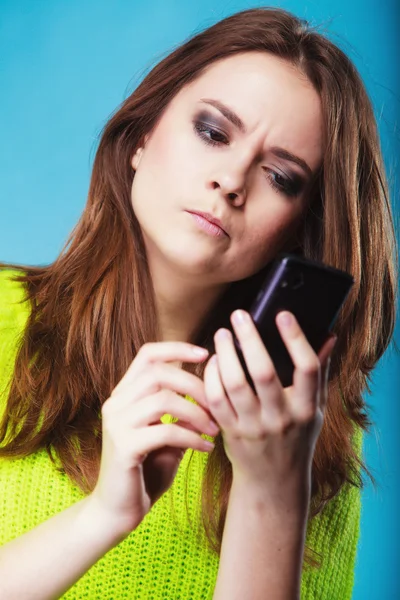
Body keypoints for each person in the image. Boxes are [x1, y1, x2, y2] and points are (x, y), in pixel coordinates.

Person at [0, 6, 397, 600]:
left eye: (281, 177)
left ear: (298, 230)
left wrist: (271, 492)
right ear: (140, 137)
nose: (232, 179)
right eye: (213, 132)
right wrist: (103, 516)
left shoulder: (307, 427)